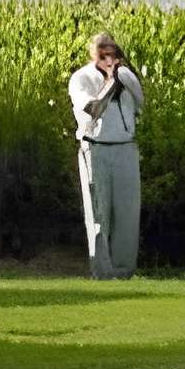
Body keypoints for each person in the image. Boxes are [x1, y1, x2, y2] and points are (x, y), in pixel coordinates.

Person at [69, 30, 144, 279]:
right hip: (96, 147)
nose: (109, 60)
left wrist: (124, 78)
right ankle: (102, 271)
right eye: (103, 55)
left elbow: (141, 103)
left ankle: (123, 271)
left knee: (128, 214)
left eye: (113, 54)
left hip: (125, 147)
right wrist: (110, 83)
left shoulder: (126, 76)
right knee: (99, 214)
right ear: (94, 55)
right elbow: (92, 109)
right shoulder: (81, 78)